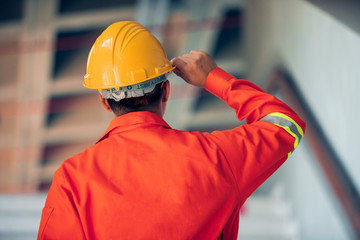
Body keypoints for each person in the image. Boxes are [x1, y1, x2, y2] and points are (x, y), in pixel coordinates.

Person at [37, 21, 305, 240]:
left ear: (104, 101)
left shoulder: (71, 180)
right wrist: (214, 78)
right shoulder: (216, 157)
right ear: (165, 91)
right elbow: (285, 124)